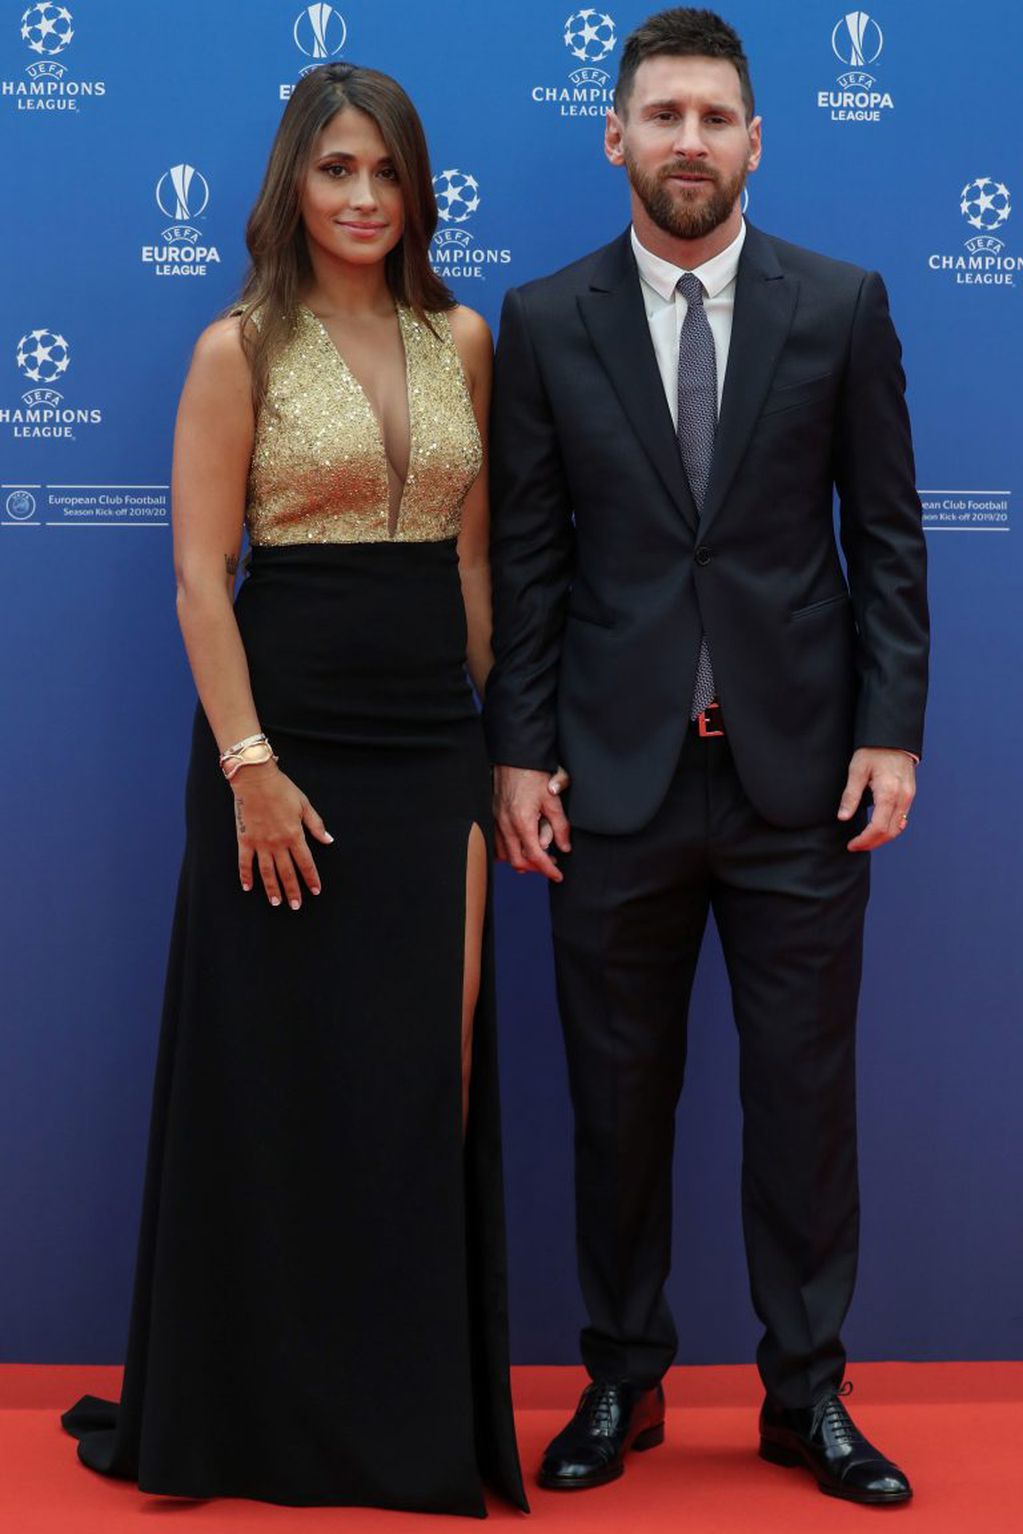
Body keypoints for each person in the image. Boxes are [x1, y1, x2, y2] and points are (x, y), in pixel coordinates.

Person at [61, 62, 529, 1516]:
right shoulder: (237, 350)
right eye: (336, 170)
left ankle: (403, 1414)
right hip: (284, 738)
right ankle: (252, 1410)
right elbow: (202, 575)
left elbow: (471, 563)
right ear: (293, 183)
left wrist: (508, 736)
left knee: (425, 1075)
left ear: (417, 187)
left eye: (386, 172)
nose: (364, 197)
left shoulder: (465, 336)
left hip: (427, 742)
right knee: (273, 1079)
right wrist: (249, 765)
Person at [487, 7, 928, 1508]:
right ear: (614, 135)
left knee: (805, 1106)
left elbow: (886, 538)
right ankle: (623, 1377)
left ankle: (809, 1398)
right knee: (618, 1102)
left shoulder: (842, 305)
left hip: (798, 784)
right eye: (662, 114)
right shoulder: (544, 321)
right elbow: (532, 560)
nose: (689, 142)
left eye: (714, 118)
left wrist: (890, 729)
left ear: (756, 141)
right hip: (610, 787)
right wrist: (519, 754)